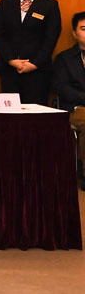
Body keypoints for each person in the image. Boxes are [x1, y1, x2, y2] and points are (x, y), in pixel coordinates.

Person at [0, 0, 61, 104]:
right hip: (10, 69)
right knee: (10, 112)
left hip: (38, 71)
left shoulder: (50, 5)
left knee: (35, 113)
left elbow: (51, 38)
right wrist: (12, 60)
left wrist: (34, 64)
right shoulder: (5, 4)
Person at [52, 12, 85, 184]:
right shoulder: (64, 58)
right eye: (84, 28)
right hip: (76, 108)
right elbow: (61, 87)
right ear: (74, 33)